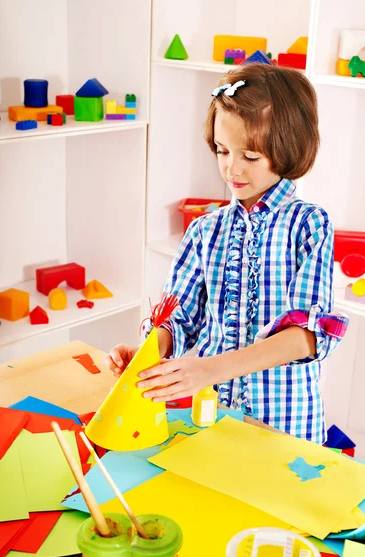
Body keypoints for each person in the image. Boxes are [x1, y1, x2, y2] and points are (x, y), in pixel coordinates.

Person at [104, 63, 348, 443]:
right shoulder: (205, 229)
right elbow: (177, 316)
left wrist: (210, 369)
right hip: (211, 420)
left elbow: (307, 337)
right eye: (222, 151)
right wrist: (149, 354)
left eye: (250, 156)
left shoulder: (310, 225)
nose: (231, 168)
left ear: (288, 149)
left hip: (285, 428)